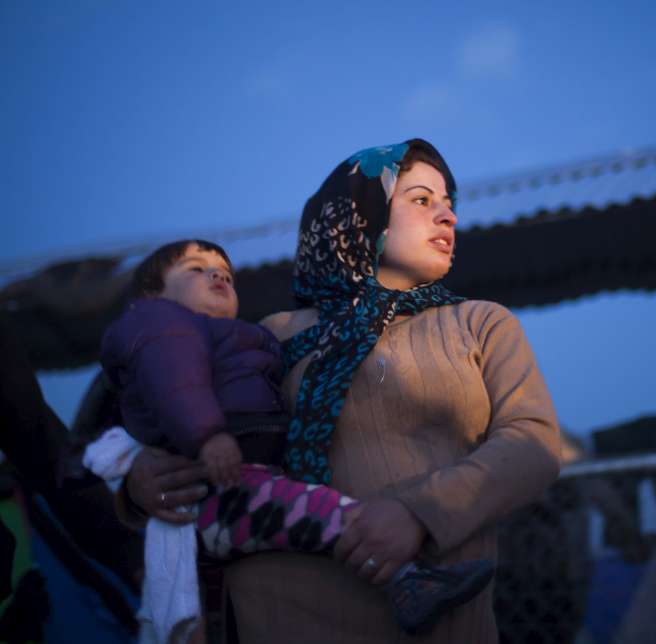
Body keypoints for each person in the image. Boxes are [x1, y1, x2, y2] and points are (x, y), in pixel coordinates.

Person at [121, 139, 562, 643]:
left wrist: (419, 512)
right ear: (359, 215)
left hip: (439, 623)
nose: (448, 217)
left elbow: (534, 444)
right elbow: (164, 395)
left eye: (449, 204)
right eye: (422, 200)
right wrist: (138, 481)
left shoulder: (481, 323)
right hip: (281, 620)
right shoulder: (271, 335)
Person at [96, 238, 496, 638]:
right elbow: (176, 384)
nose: (218, 274)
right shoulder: (161, 326)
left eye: (226, 274)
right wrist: (208, 437)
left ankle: (410, 580)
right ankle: (410, 581)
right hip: (219, 488)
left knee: (318, 515)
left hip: (244, 481)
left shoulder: (246, 338)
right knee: (326, 513)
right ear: (151, 294)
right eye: (196, 269)